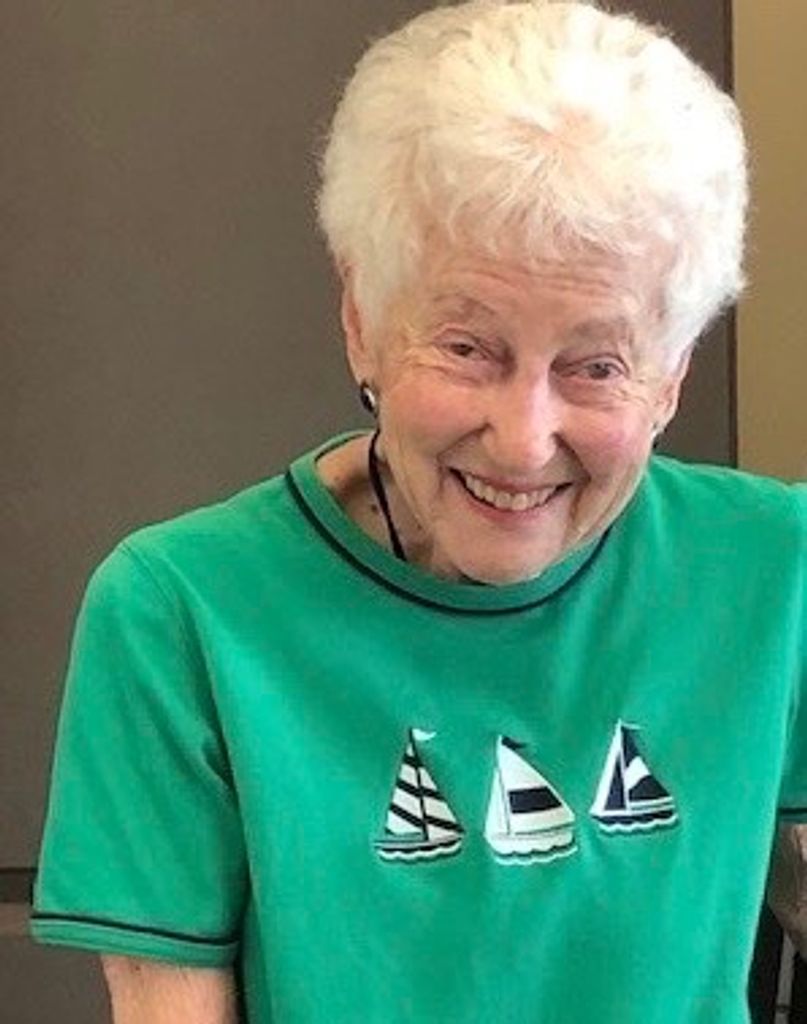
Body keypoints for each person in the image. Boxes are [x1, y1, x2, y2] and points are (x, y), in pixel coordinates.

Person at [30, 2, 807, 1022]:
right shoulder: (182, 611)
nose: (524, 440)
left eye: (594, 365)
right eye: (468, 348)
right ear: (362, 321)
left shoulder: (772, 568)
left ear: (670, 375)